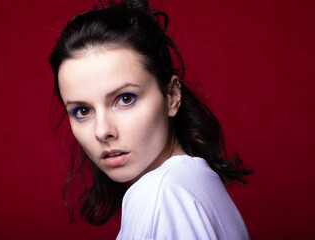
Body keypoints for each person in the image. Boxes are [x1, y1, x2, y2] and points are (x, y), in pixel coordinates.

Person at [49, 0, 252, 239]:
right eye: (82, 111)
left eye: (125, 99)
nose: (102, 131)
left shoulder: (160, 193)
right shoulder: (194, 182)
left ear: (172, 95)